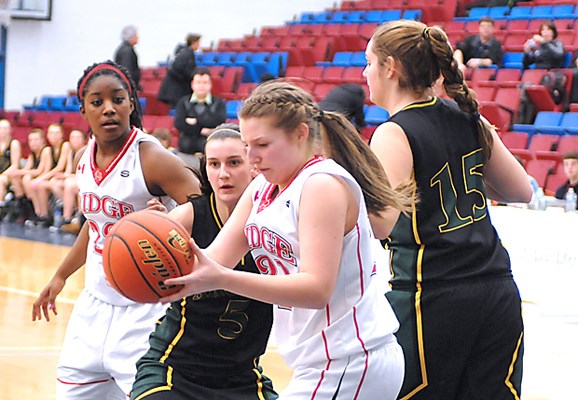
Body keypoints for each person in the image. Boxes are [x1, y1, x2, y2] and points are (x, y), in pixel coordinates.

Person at [161, 81, 413, 399]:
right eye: (247, 145)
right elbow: (212, 259)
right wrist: (161, 262)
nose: (252, 156)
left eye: (262, 145)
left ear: (300, 134)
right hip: (319, 362)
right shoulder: (262, 187)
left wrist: (222, 278)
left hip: (351, 361)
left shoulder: (321, 184)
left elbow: (316, 289)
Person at [365, 20, 533, 399]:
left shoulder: (393, 132)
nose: (365, 73)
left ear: (390, 67)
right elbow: (521, 190)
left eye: (370, 63)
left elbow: (381, 224)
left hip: (433, 295)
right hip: (496, 290)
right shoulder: (470, 119)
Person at [31, 60, 201, 400]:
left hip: (146, 308)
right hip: (93, 304)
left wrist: (173, 219)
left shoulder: (151, 157)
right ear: (83, 109)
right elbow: (94, 227)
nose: (109, 109)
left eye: (118, 100)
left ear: (131, 104)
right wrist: (60, 276)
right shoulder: (83, 157)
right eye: (97, 102)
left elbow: (207, 208)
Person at [131, 124, 277, 400]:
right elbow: (142, 271)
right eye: (214, 164)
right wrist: (154, 239)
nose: (223, 174)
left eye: (234, 163)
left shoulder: (275, 222)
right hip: (175, 369)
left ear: (255, 167)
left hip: (242, 377)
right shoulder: (188, 217)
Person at [173, 67, 227, 170]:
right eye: (198, 82)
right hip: (185, 155)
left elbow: (219, 121)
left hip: (210, 157)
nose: (201, 86)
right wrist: (202, 129)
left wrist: (195, 122)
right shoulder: (183, 102)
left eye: (205, 82)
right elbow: (179, 124)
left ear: (210, 84)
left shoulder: (219, 103)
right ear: (192, 84)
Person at [24, 123, 72, 228]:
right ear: (48, 136)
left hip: (65, 177)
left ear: (62, 135)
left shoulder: (65, 145)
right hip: (55, 177)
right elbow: (47, 169)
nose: (54, 136)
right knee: (39, 185)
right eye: (51, 133)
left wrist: (41, 178)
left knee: (51, 183)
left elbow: (60, 167)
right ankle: (43, 215)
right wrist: (40, 179)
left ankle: (68, 209)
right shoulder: (49, 150)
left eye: (57, 133)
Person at [7, 128, 51, 223]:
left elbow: (40, 171)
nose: (33, 143)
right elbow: (27, 169)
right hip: (38, 179)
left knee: (26, 179)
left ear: (42, 141)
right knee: (18, 178)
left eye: (36, 140)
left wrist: (19, 172)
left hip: (48, 177)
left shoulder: (46, 150)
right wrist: (17, 173)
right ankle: (23, 207)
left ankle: (38, 212)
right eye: (31, 140)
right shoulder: (32, 154)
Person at [48, 129, 87, 228]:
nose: (75, 140)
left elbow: (83, 173)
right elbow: (70, 170)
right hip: (74, 178)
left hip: (84, 179)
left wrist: (66, 176)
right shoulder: (70, 151)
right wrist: (65, 175)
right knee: (55, 182)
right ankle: (68, 212)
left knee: (69, 184)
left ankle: (69, 216)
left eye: (78, 138)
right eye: (72, 138)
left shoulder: (86, 151)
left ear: (83, 140)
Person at [158, 33, 202, 108]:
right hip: (176, 90)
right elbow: (179, 68)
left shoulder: (183, 52)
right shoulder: (186, 53)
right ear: (194, 43)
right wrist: (191, 76)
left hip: (175, 90)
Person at [0, 119, 22, 209]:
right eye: (1, 128)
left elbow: (15, 165)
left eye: (6, 128)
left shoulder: (14, 143)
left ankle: (1, 205)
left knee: (0, 180)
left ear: (10, 130)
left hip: (9, 173)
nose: (3, 131)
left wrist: (3, 174)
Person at [114, 25, 141, 89]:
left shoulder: (124, 48)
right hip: (126, 87)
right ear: (130, 37)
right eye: (136, 35)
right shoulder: (127, 51)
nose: (138, 37)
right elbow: (127, 70)